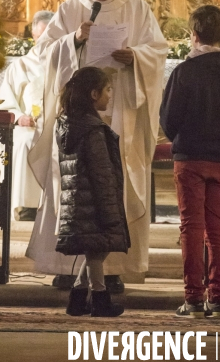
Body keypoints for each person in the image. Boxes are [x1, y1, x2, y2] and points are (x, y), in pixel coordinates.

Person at [26, 0, 168, 291]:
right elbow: (43, 52)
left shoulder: (137, 8)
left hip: (121, 112)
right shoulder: (70, 9)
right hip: (77, 116)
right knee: (72, 185)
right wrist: (72, 40)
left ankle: (113, 269)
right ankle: (66, 264)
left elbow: (158, 50)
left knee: (112, 186)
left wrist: (135, 56)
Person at [160, 5, 220, 318]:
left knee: (191, 228)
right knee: (216, 229)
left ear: (194, 35)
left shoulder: (184, 71)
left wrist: (183, 135)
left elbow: (169, 120)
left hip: (190, 158)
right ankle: (219, 296)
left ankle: (194, 298)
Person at [57, 67, 130, 317]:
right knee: (97, 248)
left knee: (95, 248)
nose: (110, 96)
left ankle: (78, 297)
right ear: (93, 93)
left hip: (78, 198)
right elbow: (101, 173)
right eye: (108, 90)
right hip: (94, 199)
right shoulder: (92, 129)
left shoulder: (68, 123)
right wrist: (110, 207)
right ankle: (100, 300)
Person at [0, 10, 54, 221]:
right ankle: (26, 206)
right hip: (27, 125)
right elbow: (4, 104)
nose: (46, 41)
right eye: (42, 37)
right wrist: (20, 117)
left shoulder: (65, 64)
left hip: (57, 125)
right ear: (34, 37)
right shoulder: (19, 66)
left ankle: (56, 205)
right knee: (24, 141)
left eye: (51, 36)